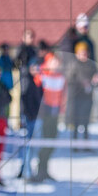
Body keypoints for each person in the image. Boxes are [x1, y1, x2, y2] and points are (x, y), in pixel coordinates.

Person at [34, 53, 65, 183]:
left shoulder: (60, 77)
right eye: (53, 62)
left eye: (57, 62)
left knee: (51, 142)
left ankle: (45, 170)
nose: (56, 64)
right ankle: (39, 171)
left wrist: (62, 110)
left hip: (54, 114)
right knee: (43, 143)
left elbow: (63, 95)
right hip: (44, 114)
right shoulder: (42, 75)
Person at [18, 58, 43, 181]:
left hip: (35, 117)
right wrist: (24, 117)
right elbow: (23, 101)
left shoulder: (37, 81)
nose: (36, 70)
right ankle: (26, 173)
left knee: (33, 148)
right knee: (27, 148)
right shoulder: (27, 81)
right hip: (29, 118)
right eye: (34, 68)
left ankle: (29, 171)